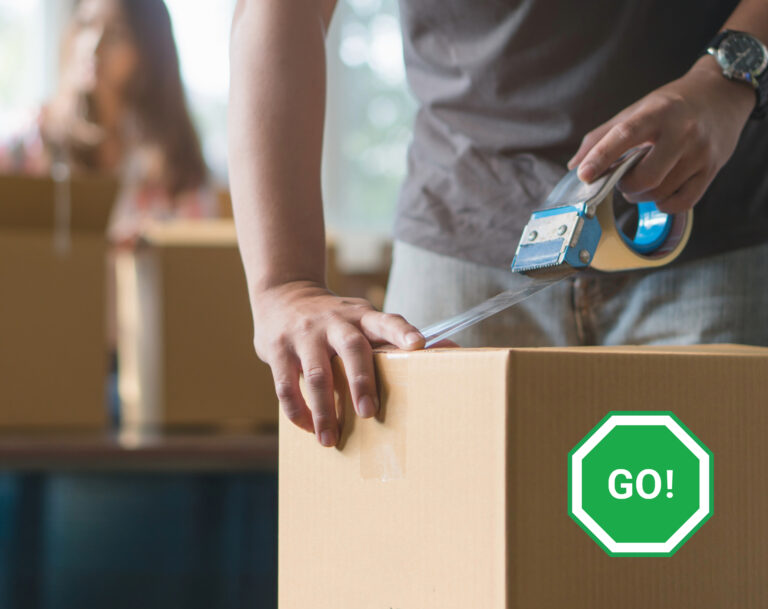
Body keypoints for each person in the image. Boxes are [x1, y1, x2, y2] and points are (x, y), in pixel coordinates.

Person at [228, 0, 768, 448]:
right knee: (438, 559)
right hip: (462, 237)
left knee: (702, 567)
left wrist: (730, 76)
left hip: (718, 235)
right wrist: (285, 283)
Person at [0, 0, 215, 242]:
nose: (94, 46)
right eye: (86, 25)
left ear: (148, 53)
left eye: (116, 34)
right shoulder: (26, 148)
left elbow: (194, 268)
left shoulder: (176, 172)